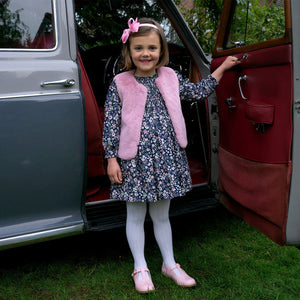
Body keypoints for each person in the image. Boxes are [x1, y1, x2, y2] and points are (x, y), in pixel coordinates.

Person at [102, 17, 240, 293]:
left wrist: (222, 67)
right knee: (136, 214)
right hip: (134, 160)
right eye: (139, 48)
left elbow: (197, 92)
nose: (145, 54)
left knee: (162, 214)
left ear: (161, 50)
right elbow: (111, 122)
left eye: (152, 48)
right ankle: (140, 266)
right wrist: (111, 158)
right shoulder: (120, 83)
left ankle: (169, 263)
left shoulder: (170, 76)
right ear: (129, 52)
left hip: (166, 156)